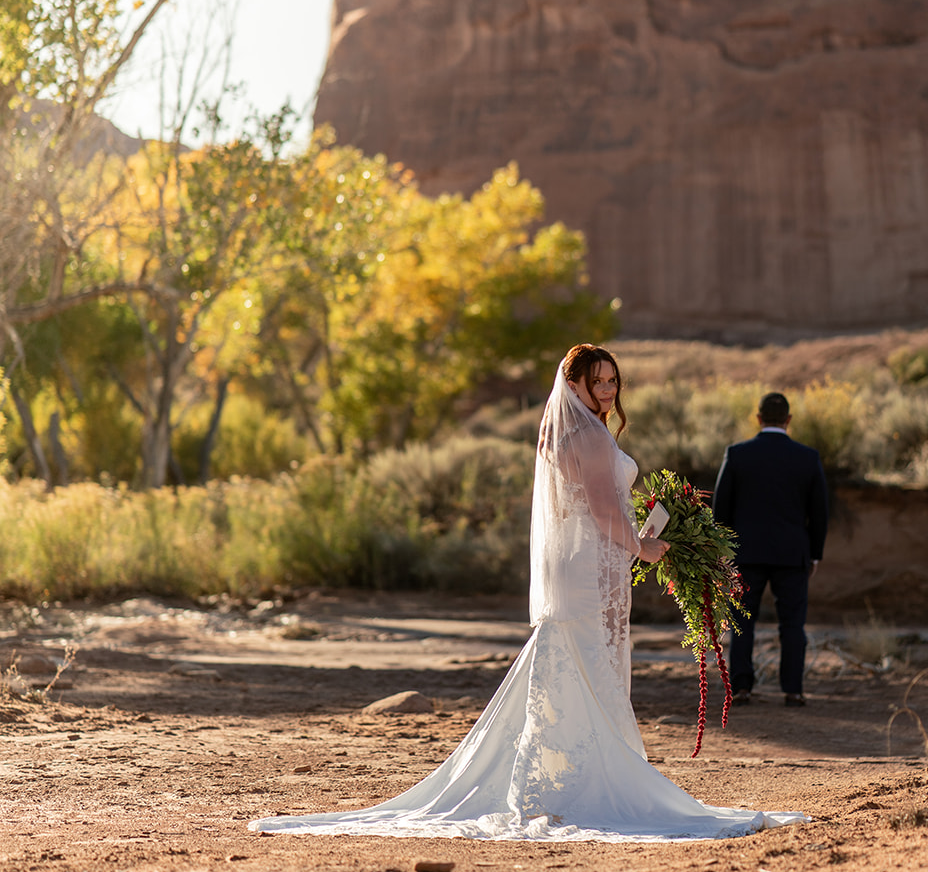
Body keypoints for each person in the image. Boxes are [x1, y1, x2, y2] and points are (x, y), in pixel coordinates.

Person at [249, 347, 804, 843]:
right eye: (598, 382)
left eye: (614, 381)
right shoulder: (586, 434)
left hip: (579, 563)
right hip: (588, 567)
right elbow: (605, 514)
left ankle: (561, 778)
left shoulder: (568, 431)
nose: (608, 391)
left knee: (575, 663)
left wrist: (642, 532)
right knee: (589, 664)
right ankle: (579, 783)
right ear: (576, 385)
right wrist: (646, 546)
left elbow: (588, 508)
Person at [712, 391, 828, 708]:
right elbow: (819, 512)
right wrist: (814, 553)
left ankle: (742, 688)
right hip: (792, 554)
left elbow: (720, 508)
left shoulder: (737, 454)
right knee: (792, 625)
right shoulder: (807, 457)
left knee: (742, 623)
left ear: (758, 418)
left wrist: (723, 552)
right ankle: (793, 690)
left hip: (745, 554)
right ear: (788, 420)